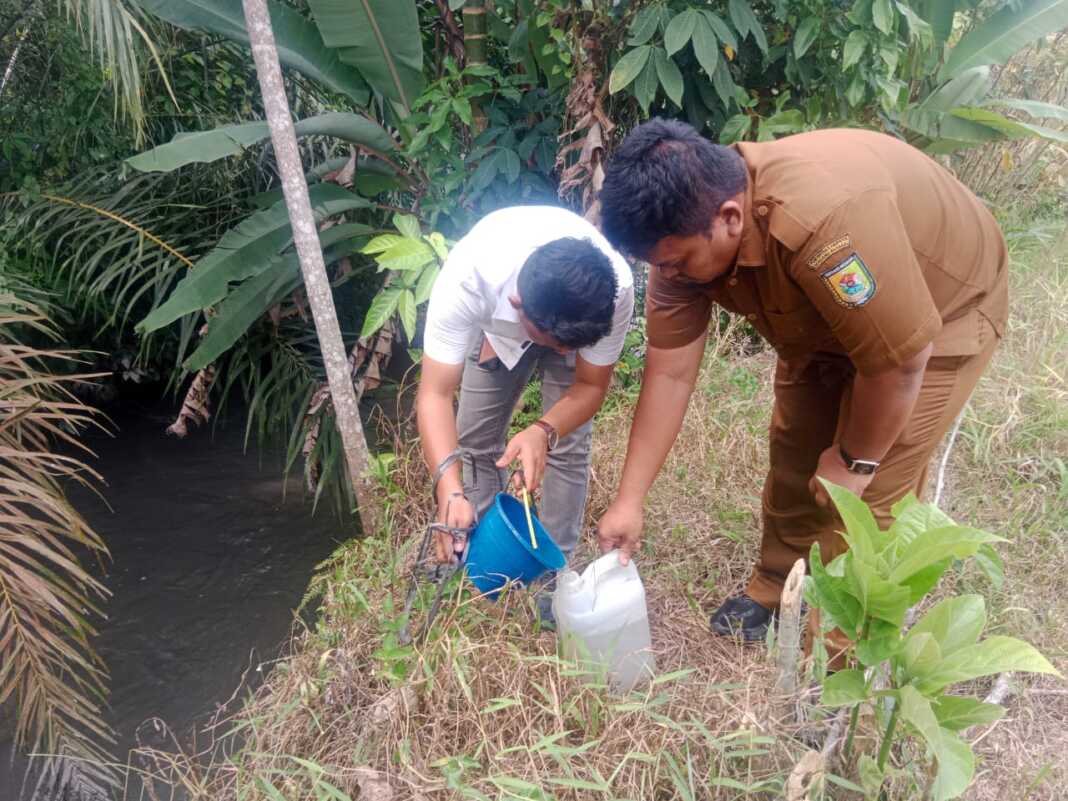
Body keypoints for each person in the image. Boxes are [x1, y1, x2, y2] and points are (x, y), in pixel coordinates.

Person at [594, 119, 1008, 644]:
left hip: (940, 313)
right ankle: (774, 586)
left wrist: (856, 460)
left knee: (867, 499)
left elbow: (899, 362)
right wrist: (630, 499)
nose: (667, 276)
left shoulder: (823, 225)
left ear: (729, 217)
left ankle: (838, 654)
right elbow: (671, 372)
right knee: (796, 451)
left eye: (675, 263)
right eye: (659, 266)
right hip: (821, 324)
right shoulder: (679, 245)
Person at [416, 205, 634, 624]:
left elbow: (589, 386)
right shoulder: (468, 280)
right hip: (498, 332)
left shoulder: (614, 289)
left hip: (563, 321)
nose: (565, 356)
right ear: (517, 305)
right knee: (475, 441)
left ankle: (555, 581)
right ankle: (481, 562)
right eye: (556, 345)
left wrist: (543, 429)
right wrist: (449, 490)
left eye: (570, 347)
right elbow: (434, 395)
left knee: (566, 446)